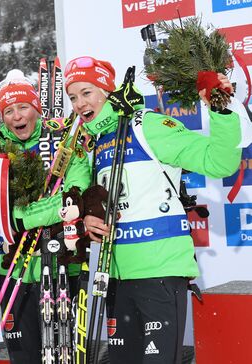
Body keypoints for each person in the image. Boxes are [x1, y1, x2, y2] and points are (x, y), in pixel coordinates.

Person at [63, 56, 243, 363]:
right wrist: (85, 218)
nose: (79, 103)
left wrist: (221, 111)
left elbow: (220, 162)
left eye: (87, 92)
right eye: (73, 97)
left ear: (108, 91)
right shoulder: (92, 143)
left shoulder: (147, 125)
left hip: (159, 271)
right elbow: (86, 201)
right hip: (115, 277)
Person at [0, 69, 91, 363]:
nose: (17, 116)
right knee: (24, 356)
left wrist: (21, 218)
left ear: (36, 108)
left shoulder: (62, 142)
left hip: (61, 263)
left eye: (23, 107)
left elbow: (75, 191)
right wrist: (5, 223)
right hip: (13, 266)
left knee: (63, 354)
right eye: (8, 110)